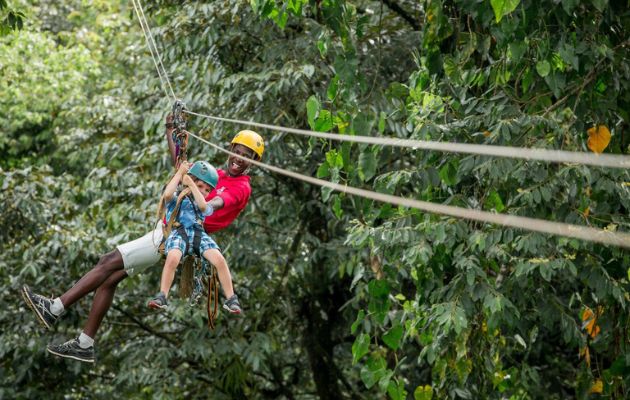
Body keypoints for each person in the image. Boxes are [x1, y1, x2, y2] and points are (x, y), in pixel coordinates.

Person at [21, 117, 264, 363]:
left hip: (173, 236)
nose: (238, 158)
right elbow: (181, 170)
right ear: (230, 149)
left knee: (107, 262)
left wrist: (197, 192)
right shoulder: (220, 174)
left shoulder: (241, 187)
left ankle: (54, 308)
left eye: (246, 155)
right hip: (171, 232)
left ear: (253, 162)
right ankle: (84, 344)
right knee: (109, 279)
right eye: (237, 151)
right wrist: (171, 131)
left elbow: (210, 206)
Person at [146, 159, 240, 313]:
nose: (203, 191)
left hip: (198, 235)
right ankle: (162, 295)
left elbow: (203, 205)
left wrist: (191, 184)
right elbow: (167, 194)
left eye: (207, 190)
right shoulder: (177, 199)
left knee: (219, 260)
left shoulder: (205, 205)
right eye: (200, 186)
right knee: (173, 258)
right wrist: (180, 174)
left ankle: (231, 299)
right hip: (179, 232)